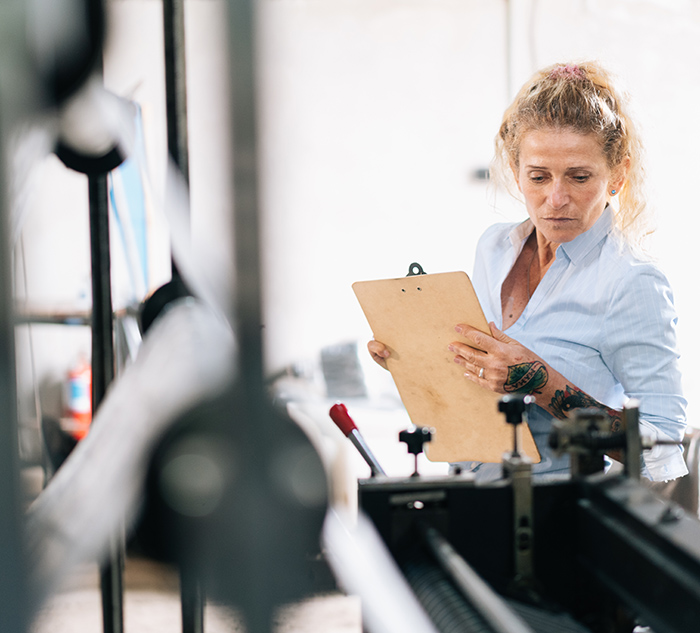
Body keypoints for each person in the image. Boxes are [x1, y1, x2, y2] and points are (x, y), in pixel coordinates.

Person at [368, 61, 687, 482]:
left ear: (618, 175)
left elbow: (663, 447)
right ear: (516, 172)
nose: (555, 199)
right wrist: (422, 364)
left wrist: (541, 381)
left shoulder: (630, 282)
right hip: (470, 487)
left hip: (558, 513)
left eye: (579, 177)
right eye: (538, 176)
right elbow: (485, 382)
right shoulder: (495, 248)